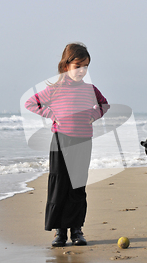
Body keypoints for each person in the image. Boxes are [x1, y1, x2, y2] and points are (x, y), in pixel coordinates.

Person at [25, 42, 109, 247]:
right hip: (61, 142)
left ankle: (77, 230)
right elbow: (30, 103)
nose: (82, 70)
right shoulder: (54, 90)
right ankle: (60, 232)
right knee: (60, 185)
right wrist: (51, 114)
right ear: (66, 66)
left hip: (82, 142)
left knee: (77, 186)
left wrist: (93, 114)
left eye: (86, 66)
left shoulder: (90, 89)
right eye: (78, 66)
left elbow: (104, 104)